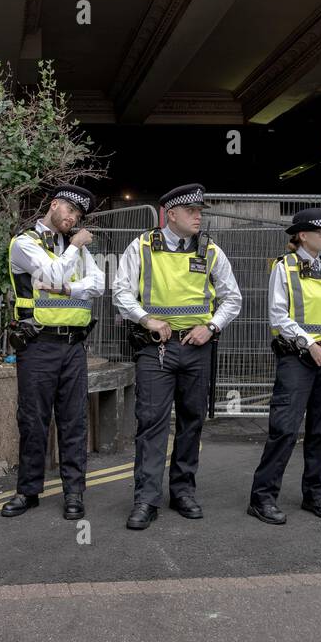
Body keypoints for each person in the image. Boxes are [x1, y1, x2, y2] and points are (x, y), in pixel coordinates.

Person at [113, 183, 242, 530]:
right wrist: (146, 319)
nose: (199, 217)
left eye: (200, 211)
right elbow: (121, 291)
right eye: (192, 211)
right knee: (151, 423)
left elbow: (233, 298)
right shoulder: (141, 246)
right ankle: (146, 499)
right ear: (171, 214)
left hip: (197, 347)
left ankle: (183, 491)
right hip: (156, 347)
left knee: (191, 421)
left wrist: (212, 327)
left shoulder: (210, 249)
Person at [1, 185, 106, 521]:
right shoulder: (25, 243)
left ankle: (74, 493)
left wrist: (66, 287)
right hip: (38, 344)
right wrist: (73, 249)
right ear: (55, 204)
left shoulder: (72, 248)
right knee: (33, 420)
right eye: (70, 211)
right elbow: (49, 273)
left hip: (74, 345)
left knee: (73, 421)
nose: (73, 219)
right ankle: (27, 491)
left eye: (78, 216)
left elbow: (99, 284)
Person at [247, 208, 321, 525]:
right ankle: (262, 498)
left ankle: (316, 495)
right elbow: (279, 316)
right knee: (284, 429)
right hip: (297, 357)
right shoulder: (284, 268)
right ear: (302, 236)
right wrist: (309, 343)